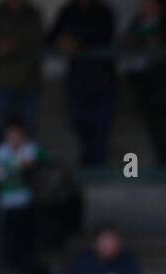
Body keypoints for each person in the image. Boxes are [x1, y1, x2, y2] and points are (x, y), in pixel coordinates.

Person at [48, 0, 117, 167]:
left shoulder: (104, 12)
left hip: (102, 78)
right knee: (77, 120)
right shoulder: (68, 11)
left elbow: (104, 35)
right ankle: (88, 158)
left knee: (100, 125)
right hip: (77, 79)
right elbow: (51, 36)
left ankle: (96, 165)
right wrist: (61, 42)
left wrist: (78, 43)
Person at [123, 0, 166, 167]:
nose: (145, 6)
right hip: (144, 87)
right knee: (152, 129)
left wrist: (162, 44)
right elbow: (127, 45)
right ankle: (162, 164)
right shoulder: (136, 24)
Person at [0, 118, 46, 274]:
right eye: (10, 134)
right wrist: (13, 168)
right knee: (10, 247)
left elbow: (45, 161)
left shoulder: (31, 149)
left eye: (17, 134)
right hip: (7, 205)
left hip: (27, 203)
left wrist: (30, 165)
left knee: (28, 245)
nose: (14, 137)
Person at [0, 0, 45, 133]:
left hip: (29, 82)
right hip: (3, 82)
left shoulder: (33, 14)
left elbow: (41, 41)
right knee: (2, 130)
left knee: (28, 131)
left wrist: (16, 46)